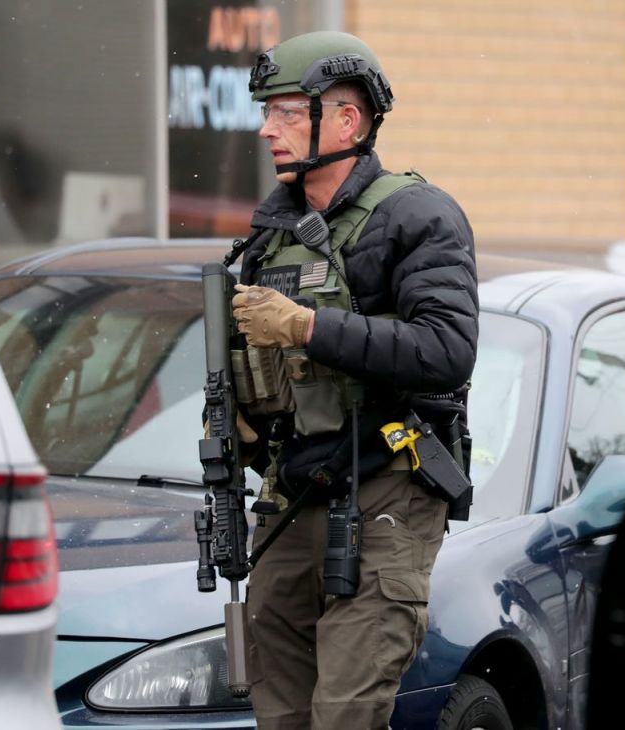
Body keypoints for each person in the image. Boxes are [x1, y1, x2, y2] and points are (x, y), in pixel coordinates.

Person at [229, 30, 478, 729]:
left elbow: (446, 351)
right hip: (293, 494)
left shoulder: (415, 215)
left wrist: (307, 326)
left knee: (344, 716)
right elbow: (264, 370)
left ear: (346, 121)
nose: (266, 129)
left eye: (285, 112)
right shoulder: (270, 237)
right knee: (280, 715)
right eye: (267, 113)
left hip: (385, 493)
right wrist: (243, 422)